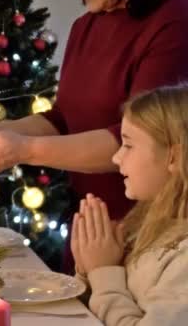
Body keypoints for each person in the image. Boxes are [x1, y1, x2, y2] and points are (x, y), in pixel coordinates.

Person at [0, 0, 188, 270]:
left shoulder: (176, 19)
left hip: (145, 235)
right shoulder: (86, 26)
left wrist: (22, 150)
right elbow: (63, 119)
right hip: (89, 231)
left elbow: (144, 138)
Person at [71, 85, 188, 325]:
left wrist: (102, 272)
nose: (116, 158)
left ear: (173, 157)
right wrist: (88, 269)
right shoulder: (144, 224)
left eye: (129, 145)